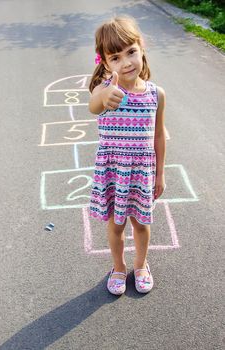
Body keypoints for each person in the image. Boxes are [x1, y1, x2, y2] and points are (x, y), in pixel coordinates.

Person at [88, 16, 166, 295]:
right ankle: (119, 267)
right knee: (116, 225)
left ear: (141, 47)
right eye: (116, 57)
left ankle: (141, 265)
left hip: (142, 171)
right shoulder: (105, 90)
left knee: (142, 223)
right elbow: (94, 106)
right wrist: (106, 95)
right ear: (105, 63)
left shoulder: (156, 94)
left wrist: (160, 173)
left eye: (131, 51)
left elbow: (158, 135)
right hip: (115, 171)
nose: (126, 62)